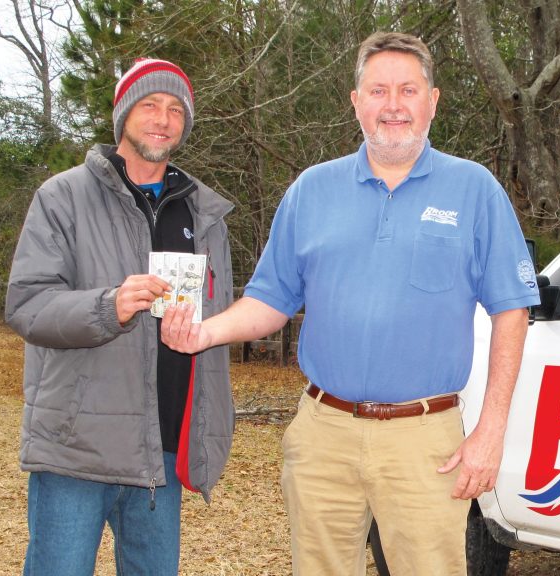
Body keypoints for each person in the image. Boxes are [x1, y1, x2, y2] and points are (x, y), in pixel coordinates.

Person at [161, 31, 539, 574]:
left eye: (408, 90)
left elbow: (512, 311)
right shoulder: (311, 191)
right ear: (356, 101)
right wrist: (205, 332)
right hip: (324, 434)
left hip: (425, 440)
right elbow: (270, 299)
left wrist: (491, 431)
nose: (393, 105)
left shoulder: (474, 190)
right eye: (378, 91)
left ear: (433, 101)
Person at [4, 58, 235, 575]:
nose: (163, 119)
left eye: (176, 109)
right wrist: (108, 306)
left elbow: (219, 321)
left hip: (162, 450)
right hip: (76, 450)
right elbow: (27, 305)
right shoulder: (62, 197)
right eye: (150, 104)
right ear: (123, 114)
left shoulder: (203, 213)